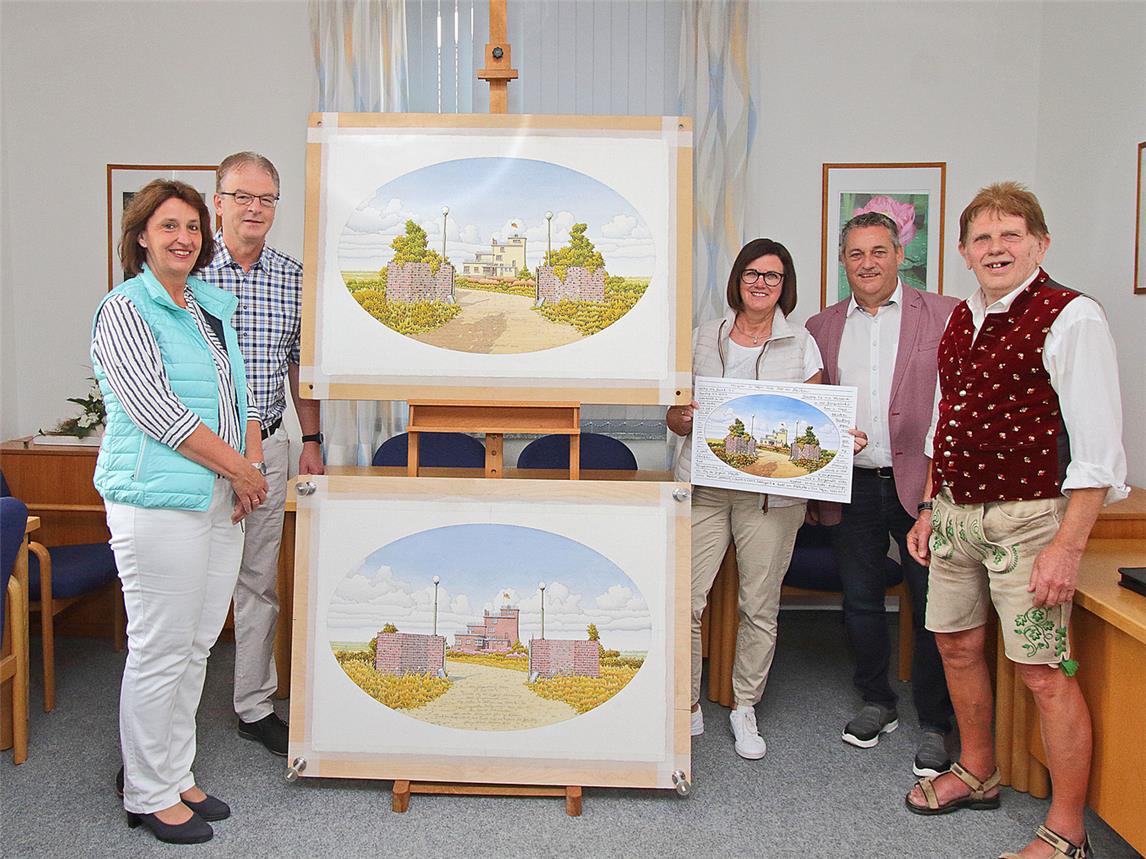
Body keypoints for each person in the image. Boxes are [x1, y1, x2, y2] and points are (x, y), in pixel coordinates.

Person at [905, 182, 1127, 859]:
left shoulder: (1072, 316)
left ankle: (1066, 832)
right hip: (955, 516)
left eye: (1010, 235)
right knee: (955, 645)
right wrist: (927, 507)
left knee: (1040, 672)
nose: (995, 248)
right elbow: (945, 424)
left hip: (1031, 521)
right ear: (965, 251)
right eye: (983, 238)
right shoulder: (962, 317)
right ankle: (977, 770)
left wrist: (1068, 545)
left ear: (1040, 243)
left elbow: (1096, 452)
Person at [92, 180, 269, 844]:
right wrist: (242, 469)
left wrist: (245, 466)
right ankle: (145, 790)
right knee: (161, 648)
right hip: (156, 502)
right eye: (168, 226)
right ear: (142, 235)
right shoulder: (124, 309)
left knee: (196, 646)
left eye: (193, 227)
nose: (183, 238)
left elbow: (241, 395)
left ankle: (176, 774)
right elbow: (158, 412)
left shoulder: (205, 308)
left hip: (217, 499)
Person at [669, 238, 861, 760]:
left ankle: (744, 706)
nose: (760, 283)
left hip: (770, 501)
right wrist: (684, 418)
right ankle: (685, 705)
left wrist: (843, 440)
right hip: (704, 490)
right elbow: (674, 414)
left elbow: (817, 421)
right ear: (737, 279)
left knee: (760, 607)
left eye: (772, 276)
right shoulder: (702, 337)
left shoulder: (802, 344)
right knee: (685, 601)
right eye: (751, 273)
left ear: (784, 286)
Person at [806, 212, 957, 776]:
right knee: (861, 600)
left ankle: (935, 722)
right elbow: (806, 410)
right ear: (842, 262)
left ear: (899, 255)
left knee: (931, 602)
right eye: (855, 254)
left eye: (878, 251)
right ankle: (876, 700)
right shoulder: (820, 328)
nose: (867, 263)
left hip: (924, 487)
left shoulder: (945, 314)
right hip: (853, 485)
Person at [200, 152, 323, 756]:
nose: (256, 208)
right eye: (243, 196)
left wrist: (313, 441)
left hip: (271, 446)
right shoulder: (186, 276)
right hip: (197, 452)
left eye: (268, 198)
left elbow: (300, 368)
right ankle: (170, 720)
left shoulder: (292, 276)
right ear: (216, 201)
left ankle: (252, 705)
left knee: (258, 582)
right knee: (194, 584)